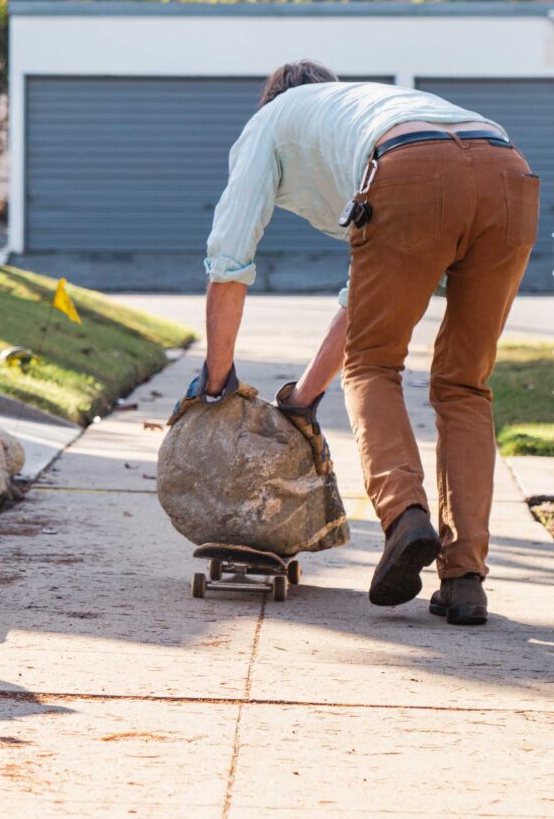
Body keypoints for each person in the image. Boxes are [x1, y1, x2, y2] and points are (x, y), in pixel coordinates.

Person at [181, 60, 539, 625]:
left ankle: (405, 518)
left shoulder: (273, 120)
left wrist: (217, 379)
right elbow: (360, 302)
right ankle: (465, 578)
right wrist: (300, 397)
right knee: (465, 384)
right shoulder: (364, 109)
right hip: (508, 175)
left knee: (374, 367)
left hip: (414, 171)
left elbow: (229, 258)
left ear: (273, 101)